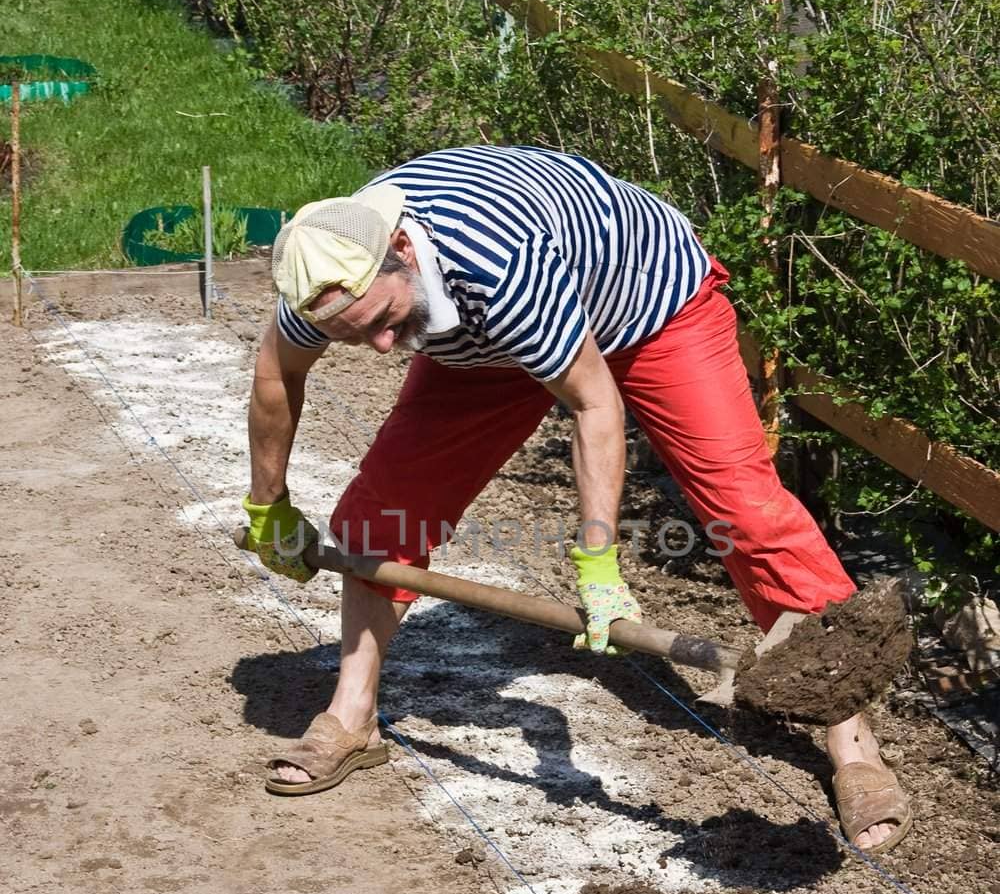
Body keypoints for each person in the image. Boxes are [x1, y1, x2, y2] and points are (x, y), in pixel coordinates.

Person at [243, 146, 912, 853]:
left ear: (402, 248)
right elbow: (275, 377)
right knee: (382, 511)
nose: (382, 347)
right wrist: (268, 507)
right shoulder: (328, 268)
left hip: (651, 310)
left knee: (743, 507)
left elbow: (594, 405)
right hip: (490, 341)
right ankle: (353, 715)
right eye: (355, 337)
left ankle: (853, 742)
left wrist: (599, 568)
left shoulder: (498, 264)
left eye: (385, 320)